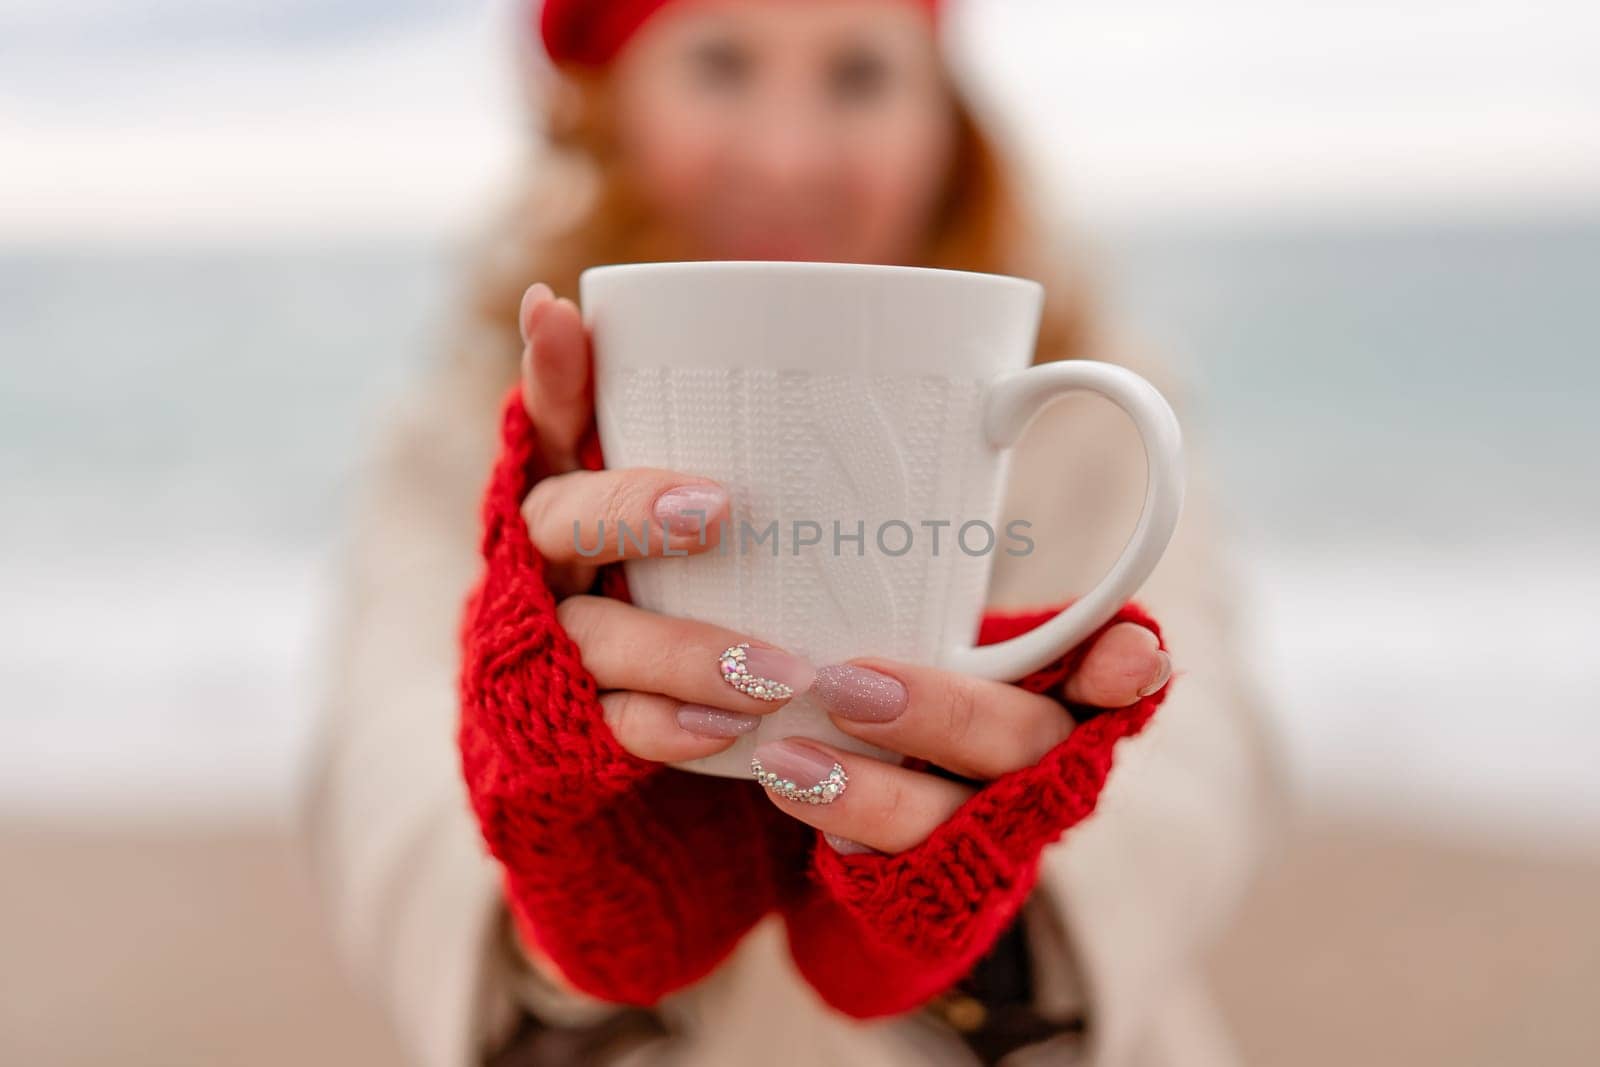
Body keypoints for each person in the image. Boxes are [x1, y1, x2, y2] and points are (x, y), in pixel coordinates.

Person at [301, 1, 1283, 1065]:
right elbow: (376, 784)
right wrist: (569, 917)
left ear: (941, 112)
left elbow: (1206, 750)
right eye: (720, 64)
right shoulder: (464, 438)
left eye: (858, 74)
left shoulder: (1088, 408)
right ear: (610, 105)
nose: (788, 153)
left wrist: (980, 930)